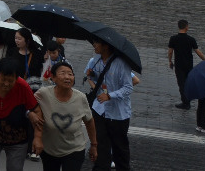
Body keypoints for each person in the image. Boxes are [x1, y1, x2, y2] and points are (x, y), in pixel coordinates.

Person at [32, 60, 96, 170]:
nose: (67, 77)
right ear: (53, 77)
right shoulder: (43, 94)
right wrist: (31, 114)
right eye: (62, 73)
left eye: (70, 74)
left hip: (74, 149)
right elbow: (28, 104)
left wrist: (94, 145)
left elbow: (89, 121)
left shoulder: (80, 97)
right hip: (49, 149)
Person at [83, 38, 133, 171]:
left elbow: (128, 87)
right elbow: (98, 80)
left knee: (120, 149)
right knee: (101, 147)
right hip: (100, 110)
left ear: (106, 46)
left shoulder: (121, 63)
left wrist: (110, 95)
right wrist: (92, 75)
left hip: (118, 114)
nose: (94, 45)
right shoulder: (96, 61)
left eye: (96, 43)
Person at [168, 20, 205, 109]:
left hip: (179, 64)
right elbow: (198, 52)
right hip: (189, 64)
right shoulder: (191, 39)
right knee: (188, 83)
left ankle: (185, 102)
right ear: (186, 27)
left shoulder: (173, 38)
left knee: (181, 83)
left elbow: (170, 52)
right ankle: (188, 100)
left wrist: (170, 61)